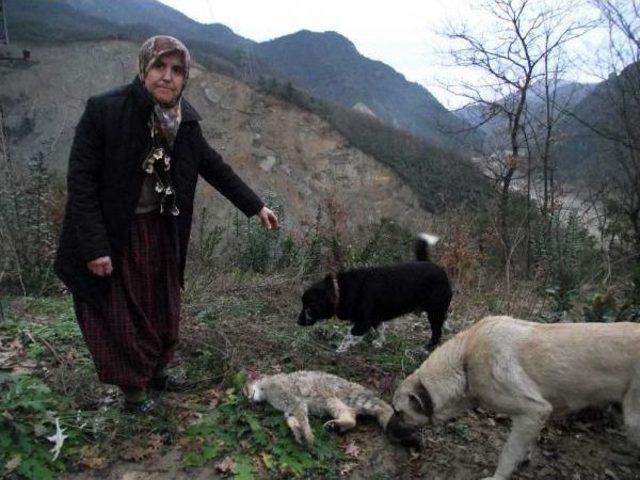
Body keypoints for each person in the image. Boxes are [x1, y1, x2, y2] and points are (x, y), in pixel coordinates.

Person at [54, 35, 279, 414]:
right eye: (160, 66)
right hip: (117, 234)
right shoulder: (105, 111)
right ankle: (134, 394)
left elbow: (214, 167)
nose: (167, 77)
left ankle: (158, 373)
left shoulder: (184, 121)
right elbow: (81, 182)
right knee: (124, 315)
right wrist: (94, 247)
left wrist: (256, 207)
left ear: (184, 78)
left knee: (163, 308)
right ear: (144, 69)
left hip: (162, 230)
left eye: (177, 70)